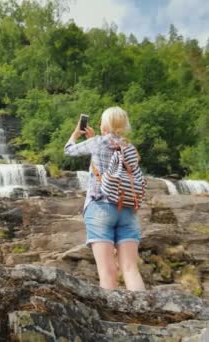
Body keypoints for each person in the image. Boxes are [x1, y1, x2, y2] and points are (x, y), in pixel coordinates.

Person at [64, 106, 145, 291]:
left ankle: (113, 318)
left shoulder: (98, 143)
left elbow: (69, 150)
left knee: (107, 271)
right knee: (131, 269)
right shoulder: (129, 147)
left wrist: (76, 134)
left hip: (100, 206)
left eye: (102, 121)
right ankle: (144, 315)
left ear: (105, 124)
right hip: (127, 208)